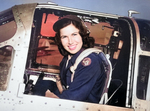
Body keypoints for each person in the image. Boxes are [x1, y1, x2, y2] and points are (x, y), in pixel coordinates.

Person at [45, 15, 107, 103]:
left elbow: (71, 99)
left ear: (82, 35)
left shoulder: (90, 61)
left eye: (74, 34)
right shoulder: (66, 60)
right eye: (64, 37)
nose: (70, 41)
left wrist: (46, 95)